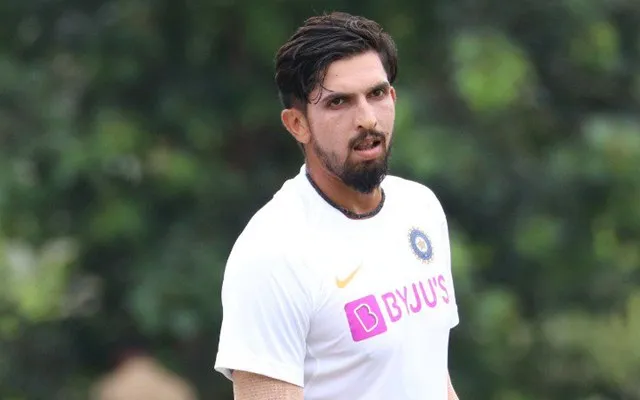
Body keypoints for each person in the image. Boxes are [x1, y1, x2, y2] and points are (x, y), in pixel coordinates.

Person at [214, 11, 461, 400]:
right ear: (297, 124)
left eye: (376, 94)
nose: (367, 119)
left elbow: (428, 373)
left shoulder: (421, 208)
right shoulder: (272, 253)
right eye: (339, 102)